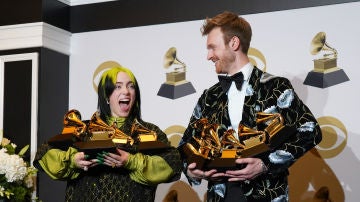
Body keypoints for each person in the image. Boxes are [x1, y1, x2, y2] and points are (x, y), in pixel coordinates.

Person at [178, 11, 322, 202]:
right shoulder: (209, 97)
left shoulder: (275, 87)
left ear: (234, 43)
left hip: (265, 194)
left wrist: (266, 164)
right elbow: (184, 146)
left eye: (213, 48)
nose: (208, 56)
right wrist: (193, 171)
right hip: (222, 195)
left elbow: (310, 130)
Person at [33, 65, 182, 202]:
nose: (126, 91)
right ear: (106, 96)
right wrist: (73, 160)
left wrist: (131, 161)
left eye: (131, 86)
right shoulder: (83, 129)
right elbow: (45, 153)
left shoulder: (150, 132)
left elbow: (172, 163)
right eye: (118, 87)